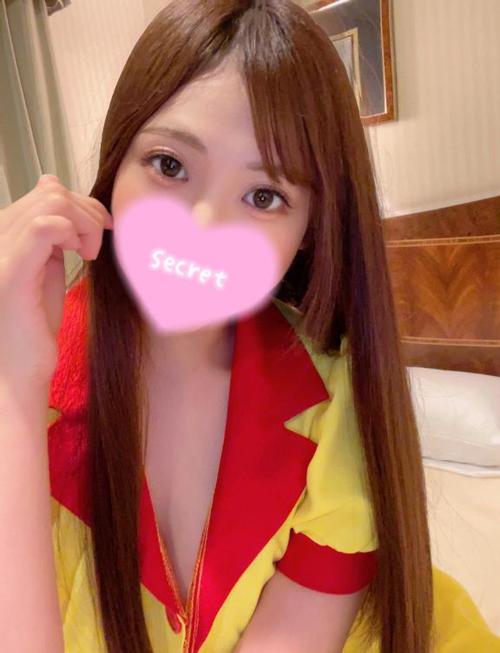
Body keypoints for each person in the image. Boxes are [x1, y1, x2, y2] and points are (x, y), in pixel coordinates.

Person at [1, 1, 499, 652]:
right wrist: (13, 389)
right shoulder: (24, 357)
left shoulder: (337, 401)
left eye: (265, 196)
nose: (203, 229)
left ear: (308, 231)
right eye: (170, 165)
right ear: (115, 165)